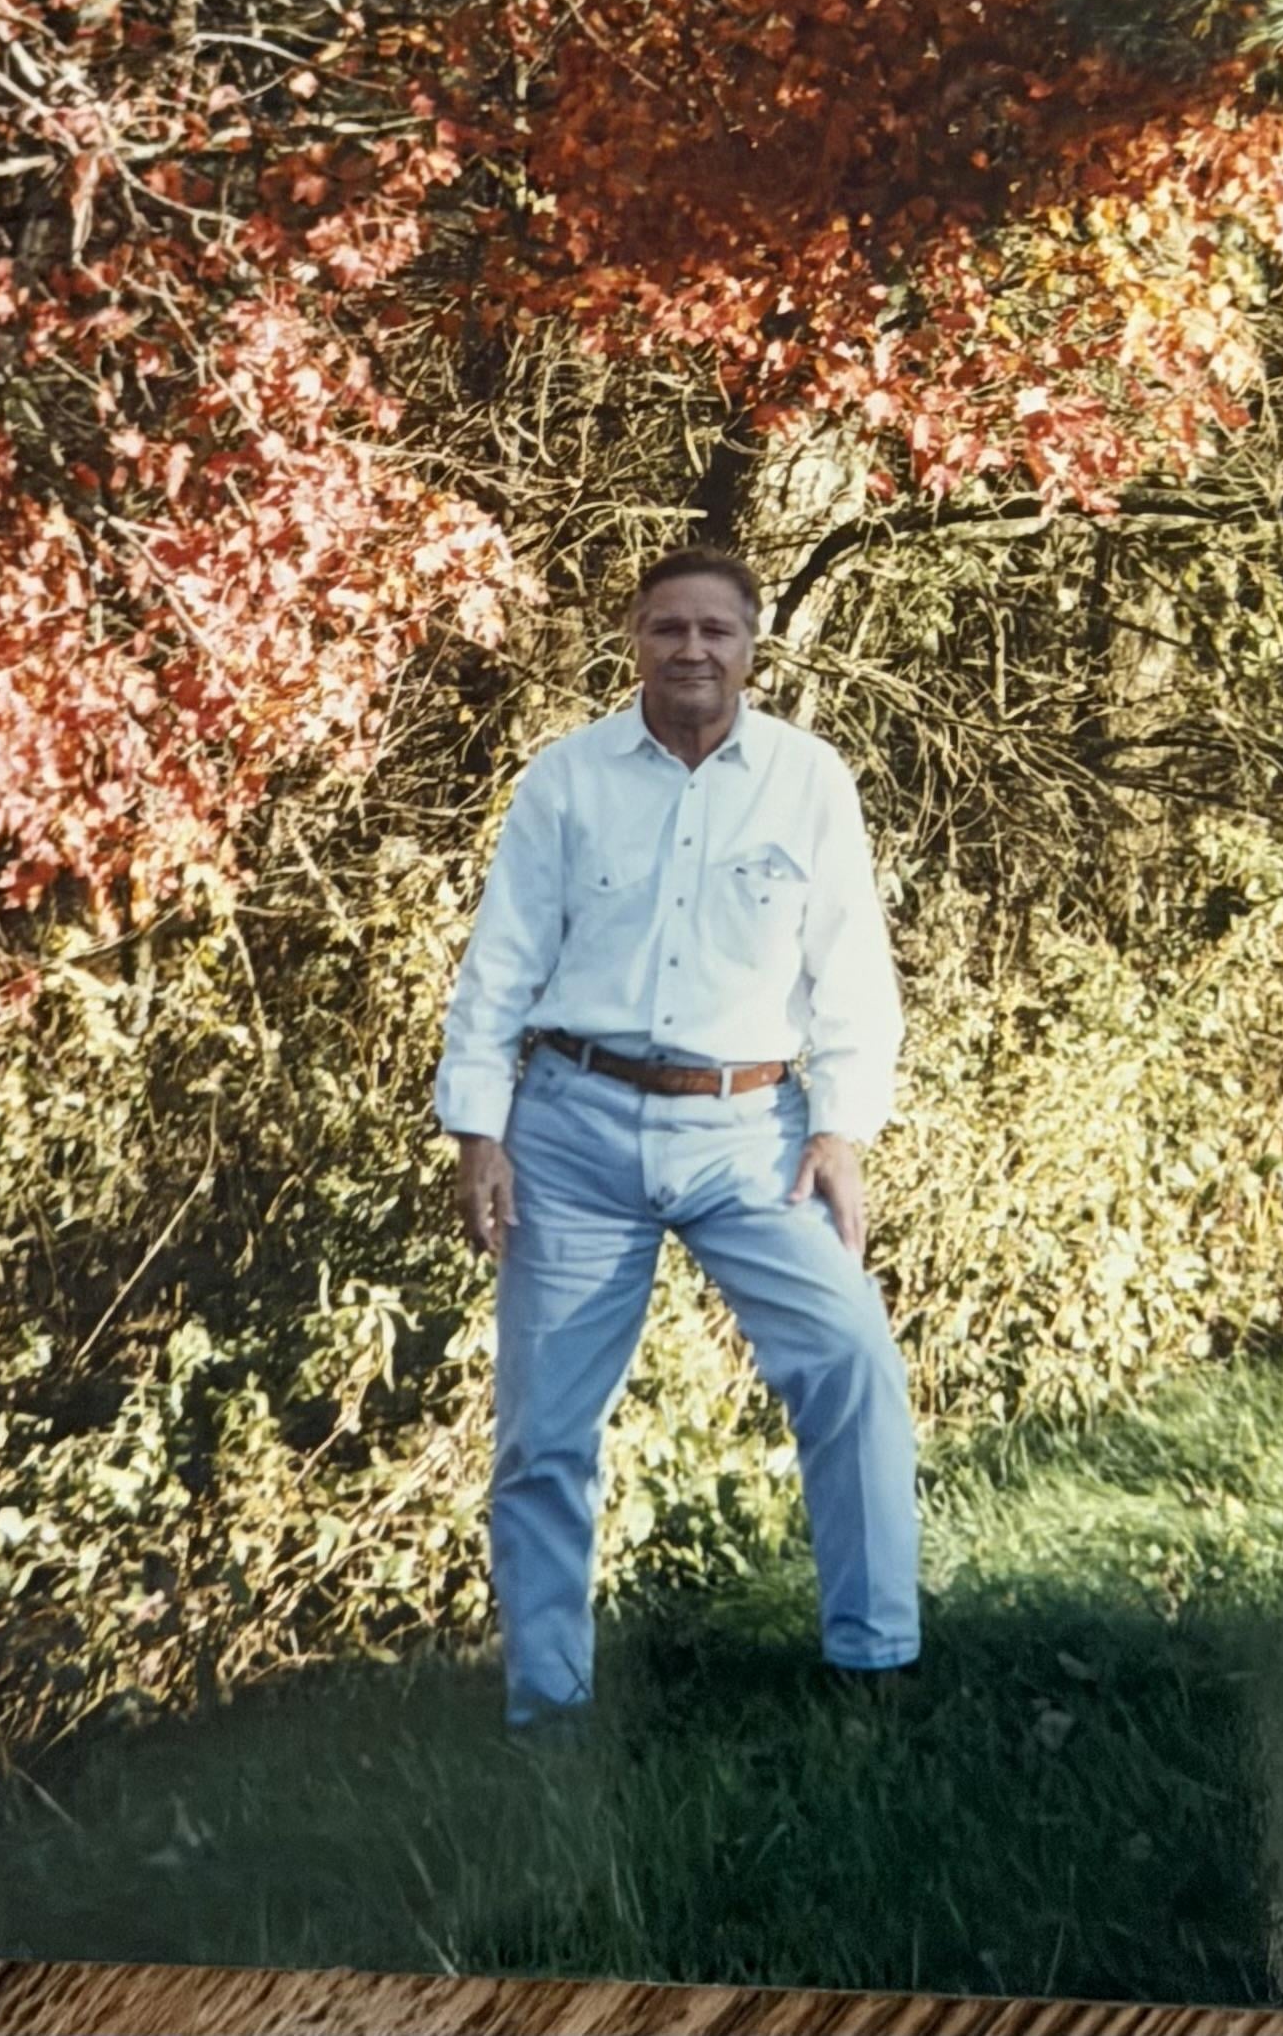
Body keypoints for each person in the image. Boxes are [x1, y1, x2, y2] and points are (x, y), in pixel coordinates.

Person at [433, 544, 920, 1727]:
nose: (692, 649)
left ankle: (875, 1671)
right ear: (635, 642)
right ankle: (548, 1715)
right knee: (544, 1435)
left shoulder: (808, 780)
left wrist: (842, 1128)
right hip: (572, 1131)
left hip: (754, 1134)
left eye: (715, 630)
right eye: (668, 628)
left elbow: (852, 969)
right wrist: (477, 1129)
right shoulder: (567, 780)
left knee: (852, 1360)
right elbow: (500, 963)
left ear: (752, 648)